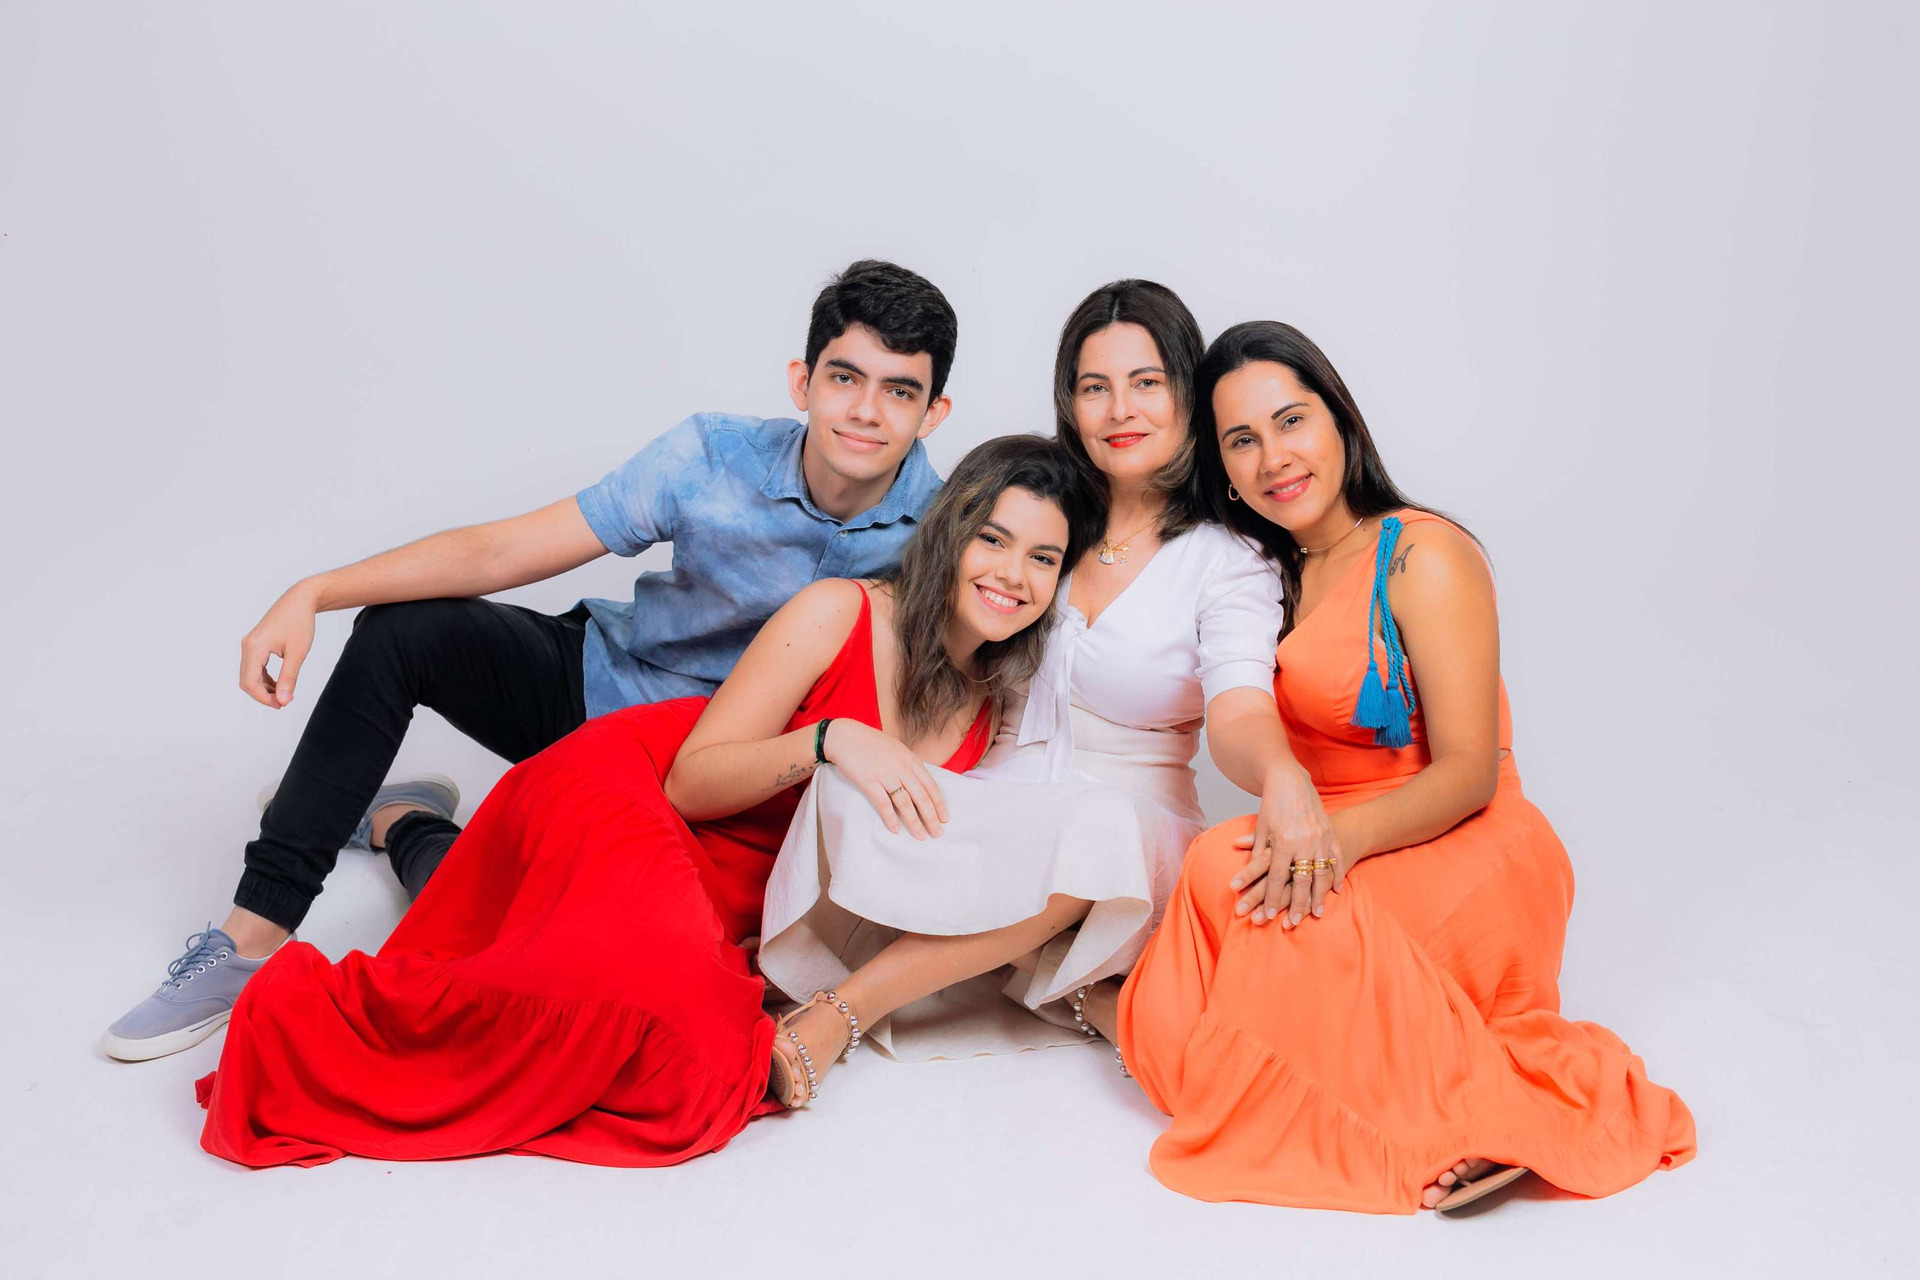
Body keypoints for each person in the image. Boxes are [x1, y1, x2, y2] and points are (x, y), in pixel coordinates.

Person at [104, 259, 958, 1062]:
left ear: (934, 414)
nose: (865, 411)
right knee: (403, 632)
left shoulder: (953, 535)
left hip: (729, 786)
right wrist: (316, 591)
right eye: (844, 378)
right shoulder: (712, 455)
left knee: (536, 945)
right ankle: (250, 938)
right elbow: (503, 550)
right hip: (603, 691)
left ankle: (405, 822)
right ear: (802, 382)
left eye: (899, 391)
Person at [194, 434, 1095, 1166]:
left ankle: (409, 823)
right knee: (671, 1041)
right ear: (950, 533)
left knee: (617, 1012)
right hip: (637, 797)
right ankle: (286, 996)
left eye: (1043, 557)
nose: (1012, 573)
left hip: (735, 890)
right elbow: (692, 784)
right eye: (993, 539)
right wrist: (830, 740)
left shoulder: (994, 707)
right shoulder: (841, 610)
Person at [1109, 320, 1696, 1212]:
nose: (1274, 457)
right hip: (1342, 837)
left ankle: (1498, 1113)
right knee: (1209, 887)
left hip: (1462, 839)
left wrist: (1331, 844)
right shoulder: (1266, 571)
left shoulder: (1422, 553)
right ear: (1222, 467)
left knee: (1261, 915)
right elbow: (1236, 715)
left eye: (1291, 421)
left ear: (1340, 420)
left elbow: (1470, 773)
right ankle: (1431, 1086)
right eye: (1242, 440)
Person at [753, 280, 1325, 1071]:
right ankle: (1062, 985)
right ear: (1070, 402)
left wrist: (1282, 774)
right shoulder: (1042, 514)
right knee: (849, 788)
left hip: (1126, 830)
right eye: (1095, 388)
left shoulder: (1228, 560)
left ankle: (842, 1012)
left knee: (1096, 832)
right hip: (994, 806)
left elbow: (1239, 708)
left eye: (1146, 383)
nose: (1119, 409)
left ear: (1187, 395)